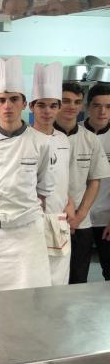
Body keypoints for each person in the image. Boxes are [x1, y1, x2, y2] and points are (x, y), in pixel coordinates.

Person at [0, 56, 54, 292]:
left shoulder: (42, 143)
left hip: (28, 230)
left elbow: (43, 190)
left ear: (24, 104)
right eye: (2, 100)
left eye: (14, 99)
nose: (8, 106)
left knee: (31, 290)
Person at [54, 82, 110, 284]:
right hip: (52, 219)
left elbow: (95, 180)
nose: (71, 106)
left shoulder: (90, 140)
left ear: (81, 106)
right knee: (51, 278)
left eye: (76, 102)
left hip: (85, 220)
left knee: (78, 278)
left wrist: (79, 216)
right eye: (65, 101)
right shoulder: (43, 137)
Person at [29, 62, 73, 286]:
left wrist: (71, 203)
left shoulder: (63, 140)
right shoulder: (25, 140)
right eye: (42, 105)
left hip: (60, 218)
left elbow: (65, 179)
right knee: (35, 279)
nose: (47, 111)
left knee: (59, 279)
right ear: (31, 107)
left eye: (53, 105)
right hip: (32, 221)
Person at [82, 83, 110, 281]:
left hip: (106, 219)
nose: (102, 111)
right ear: (87, 106)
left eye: (109, 106)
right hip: (77, 217)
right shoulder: (75, 133)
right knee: (75, 274)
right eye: (97, 105)